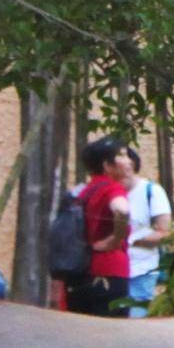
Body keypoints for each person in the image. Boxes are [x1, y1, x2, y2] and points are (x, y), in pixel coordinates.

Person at [67, 137, 136, 319]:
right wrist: (116, 239)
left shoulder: (85, 191)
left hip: (80, 272)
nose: (129, 160)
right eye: (122, 155)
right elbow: (122, 211)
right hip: (109, 272)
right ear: (107, 166)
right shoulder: (112, 189)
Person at [115, 145, 174, 318]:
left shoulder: (152, 191)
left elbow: (165, 232)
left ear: (132, 164)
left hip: (142, 270)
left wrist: (132, 241)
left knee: (136, 322)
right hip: (113, 271)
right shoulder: (110, 193)